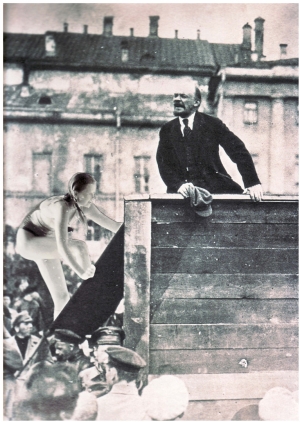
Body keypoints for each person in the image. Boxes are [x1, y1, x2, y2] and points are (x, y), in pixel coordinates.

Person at [16, 172, 121, 320]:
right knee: (80, 246)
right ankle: (90, 289)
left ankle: (57, 339)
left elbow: (115, 226)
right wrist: (82, 273)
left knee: (62, 299)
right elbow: (62, 247)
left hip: (44, 243)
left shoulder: (85, 206)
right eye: (90, 193)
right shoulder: (61, 206)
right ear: (77, 194)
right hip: (28, 241)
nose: (93, 197)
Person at [156, 84, 263, 202]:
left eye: (183, 96)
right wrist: (179, 185)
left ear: (196, 103)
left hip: (215, 189)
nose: (176, 99)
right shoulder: (167, 129)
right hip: (182, 193)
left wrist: (252, 182)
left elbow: (238, 151)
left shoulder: (212, 124)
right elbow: (163, 163)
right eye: (175, 96)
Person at [96, 346, 148, 420]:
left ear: (113, 373)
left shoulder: (97, 406)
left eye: (107, 371)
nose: (106, 375)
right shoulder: (147, 407)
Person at [79, 326, 125, 398]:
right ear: (95, 351)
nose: (109, 356)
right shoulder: (85, 376)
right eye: (105, 351)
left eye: (115, 351)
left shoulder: (126, 376)